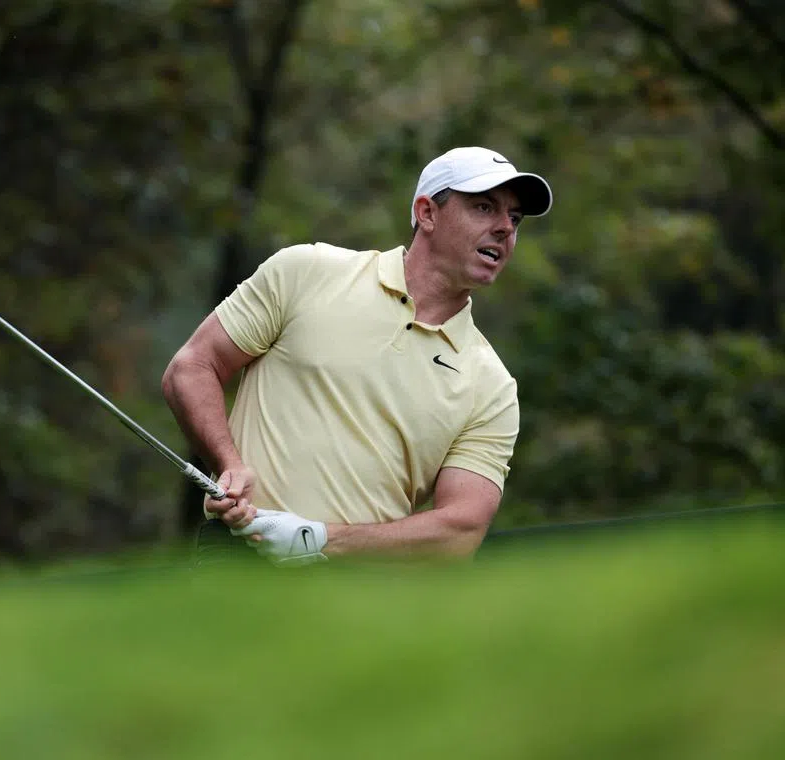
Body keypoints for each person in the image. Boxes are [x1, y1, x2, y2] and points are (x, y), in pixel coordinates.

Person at [162, 146, 553, 566]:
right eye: (484, 207)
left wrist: (318, 539)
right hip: (238, 559)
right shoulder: (307, 272)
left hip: (362, 589)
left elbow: (460, 530)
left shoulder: (491, 385)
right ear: (427, 213)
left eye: (514, 219)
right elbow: (192, 368)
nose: (504, 229)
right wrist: (229, 464)